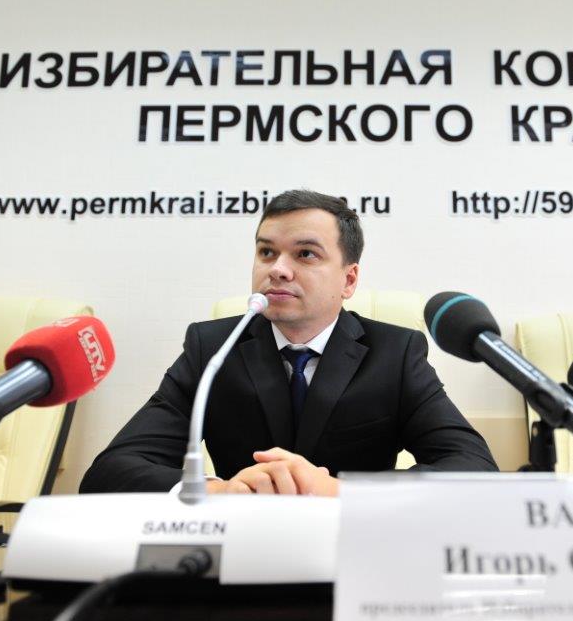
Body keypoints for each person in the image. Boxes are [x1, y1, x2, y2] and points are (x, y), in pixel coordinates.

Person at [79, 190, 497, 496]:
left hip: (350, 555)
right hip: (242, 555)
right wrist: (220, 491)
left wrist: (338, 491)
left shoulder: (395, 353)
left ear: (348, 279)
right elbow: (110, 472)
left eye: (305, 254)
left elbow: (474, 469)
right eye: (266, 252)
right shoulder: (213, 348)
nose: (277, 269)